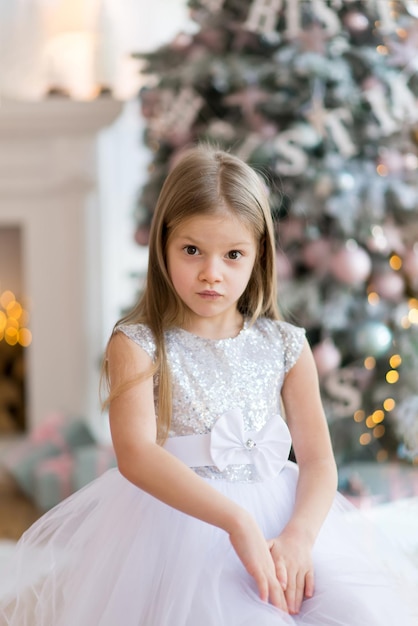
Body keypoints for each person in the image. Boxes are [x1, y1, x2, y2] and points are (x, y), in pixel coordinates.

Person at [1, 145, 417, 626]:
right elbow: (136, 454)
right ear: (164, 246)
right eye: (192, 250)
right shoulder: (137, 342)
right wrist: (236, 522)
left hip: (283, 524)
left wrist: (300, 537)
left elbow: (319, 461)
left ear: (259, 255)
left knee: (353, 612)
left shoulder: (285, 345)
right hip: (179, 526)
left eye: (233, 254)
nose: (211, 273)